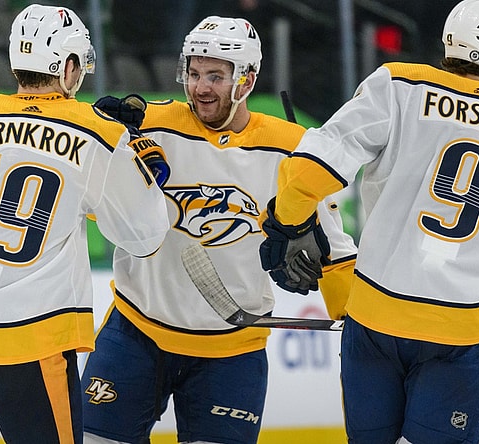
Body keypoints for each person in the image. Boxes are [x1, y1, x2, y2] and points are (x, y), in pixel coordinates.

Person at [259, 1, 479, 443]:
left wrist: (288, 222)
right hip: (463, 338)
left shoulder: (398, 84)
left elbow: (313, 167)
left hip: (374, 323)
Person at [0, 4, 170, 443]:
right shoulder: (98, 133)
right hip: (31, 341)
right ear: (69, 66)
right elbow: (145, 236)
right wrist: (138, 160)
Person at [80, 15, 357, 444]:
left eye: (215, 76)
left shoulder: (291, 148)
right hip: (136, 333)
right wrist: (104, 128)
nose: (200, 87)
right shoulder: (147, 126)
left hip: (232, 352)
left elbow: (335, 249)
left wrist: (355, 321)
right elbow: (97, 182)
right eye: (194, 74)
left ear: (247, 80)